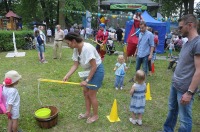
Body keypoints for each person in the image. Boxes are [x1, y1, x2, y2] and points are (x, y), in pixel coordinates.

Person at [162, 14, 200, 132]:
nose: (179, 30)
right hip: (176, 84)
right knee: (172, 110)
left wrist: (189, 93)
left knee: (184, 119)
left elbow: (199, 70)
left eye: (180, 27)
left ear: (190, 25)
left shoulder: (197, 43)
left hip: (185, 88)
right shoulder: (188, 42)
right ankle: (167, 130)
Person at [63, 32, 104, 124]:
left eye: (68, 43)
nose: (68, 45)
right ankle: (87, 113)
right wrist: (67, 75)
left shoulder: (87, 48)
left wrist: (87, 80)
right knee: (85, 93)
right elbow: (75, 65)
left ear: (73, 41)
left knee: (91, 94)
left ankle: (95, 115)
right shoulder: (76, 49)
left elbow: (94, 67)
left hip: (97, 70)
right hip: (88, 71)